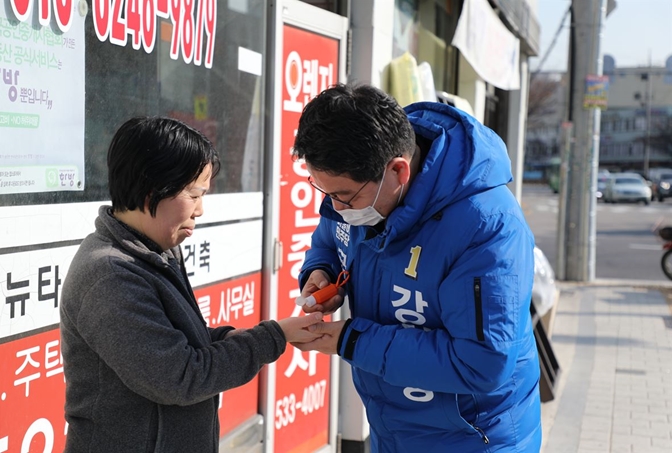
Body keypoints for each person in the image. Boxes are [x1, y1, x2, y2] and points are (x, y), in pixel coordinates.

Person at [292, 84, 541, 452]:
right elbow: (330, 237)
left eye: (344, 197)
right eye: (324, 192)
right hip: (392, 429)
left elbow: (484, 362)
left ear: (398, 170)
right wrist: (321, 271)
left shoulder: (486, 226)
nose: (337, 207)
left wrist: (353, 340)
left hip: (472, 438)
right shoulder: (364, 188)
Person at [60, 117, 323, 453]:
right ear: (151, 189)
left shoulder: (155, 249)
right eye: (194, 194)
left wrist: (227, 338)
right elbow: (181, 377)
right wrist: (275, 336)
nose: (200, 209)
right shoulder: (111, 273)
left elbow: (175, 341)